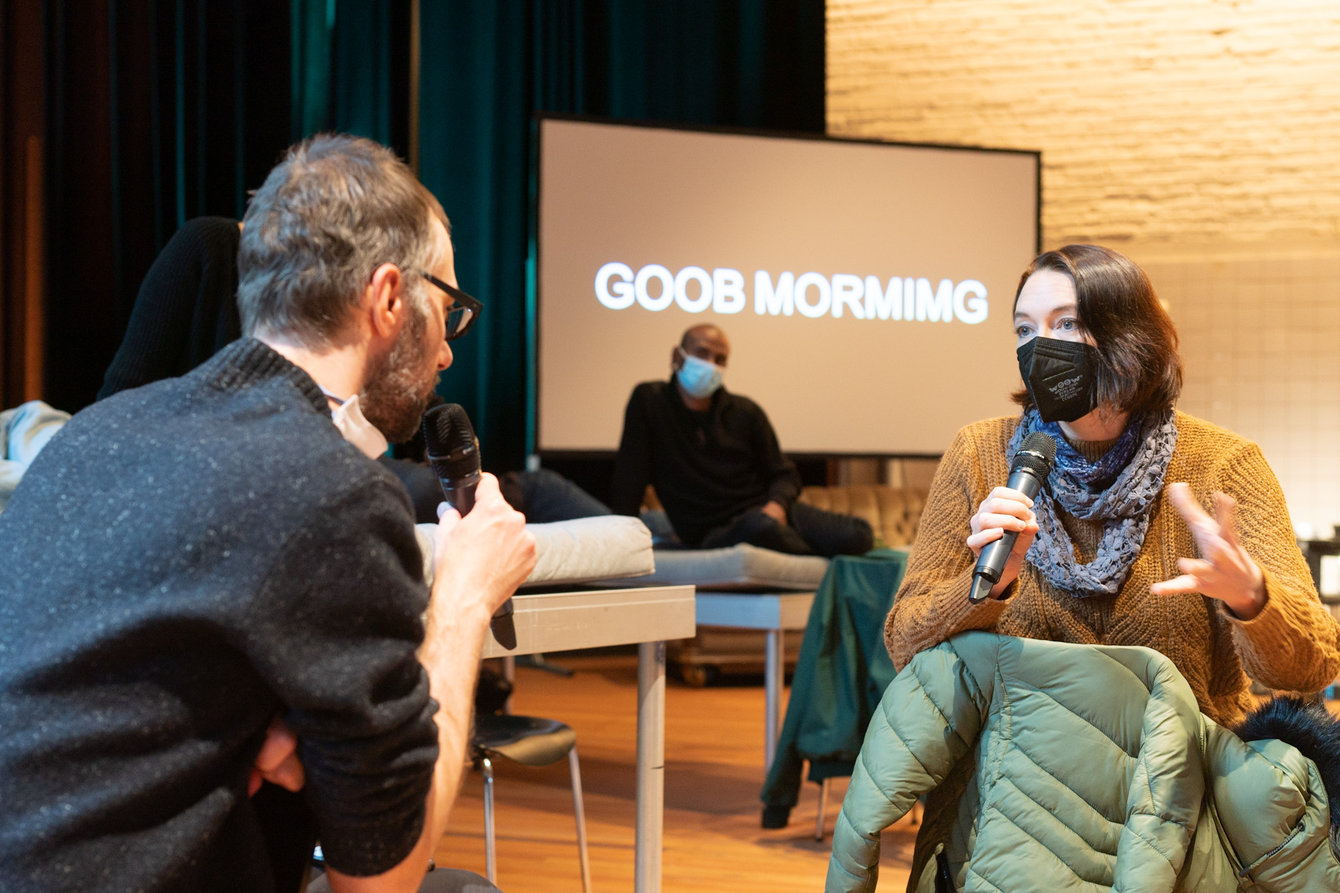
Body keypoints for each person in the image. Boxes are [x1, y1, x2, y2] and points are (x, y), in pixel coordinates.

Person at [0, 134, 536, 892]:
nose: (449, 351)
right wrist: (465, 597)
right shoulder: (332, 487)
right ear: (389, 297)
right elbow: (383, 876)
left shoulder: (91, 436)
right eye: (449, 306)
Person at [885, 243, 1340, 728]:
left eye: (1065, 323)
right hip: (1018, 782)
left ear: (1129, 337)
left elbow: (1314, 666)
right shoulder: (978, 453)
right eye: (1024, 328)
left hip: (1181, 781)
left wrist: (1253, 600)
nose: (1039, 346)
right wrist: (987, 589)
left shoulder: (1224, 463)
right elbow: (903, 644)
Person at [609, 323, 873, 557]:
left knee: (858, 534)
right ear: (677, 356)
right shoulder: (650, 402)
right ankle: (814, 553)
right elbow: (630, 476)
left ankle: (803, 547)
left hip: (769, 511)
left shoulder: (745, 411)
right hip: (713, 531)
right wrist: (623, 542)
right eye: (702, 354)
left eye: (720, 359)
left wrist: (777, 505)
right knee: (759, 528)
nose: (711, 364)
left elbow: (785, 475)